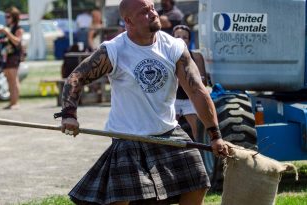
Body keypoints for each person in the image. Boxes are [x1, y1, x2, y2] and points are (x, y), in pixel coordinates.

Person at [55, 0, 229, 204]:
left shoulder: (174, 47)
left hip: (168, 132)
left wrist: (215, 135)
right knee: (125, 197)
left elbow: (197, 91)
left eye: (153, 8)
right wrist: (69, 115)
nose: (153, 13)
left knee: (198, 183)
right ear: (128, 20)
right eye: (144, 12)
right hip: (127, 137)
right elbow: (75, 78)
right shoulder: (114, 50)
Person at [173, 25, 207, 140]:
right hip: (173, 99)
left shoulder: (197, 57)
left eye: (185, 37)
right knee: (168, 129)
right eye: (177, 37)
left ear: (189, 40)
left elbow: (203, 81)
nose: (181, 40)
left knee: (197, 130)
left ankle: (201, 152)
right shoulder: (168, 56)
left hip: (190, 99)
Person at [0, 6, 24, 110]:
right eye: (5, 16)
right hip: (6, 56)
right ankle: (11, 102)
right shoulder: (7, 28)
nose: (6, 18)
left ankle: (15, 102)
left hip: (14, 56)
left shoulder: (18, 29)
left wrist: (7, 32)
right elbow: (0, 41)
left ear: (14, 17)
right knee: (9, 79)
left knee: (13, 79)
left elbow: (17, 41)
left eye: (8, 16)